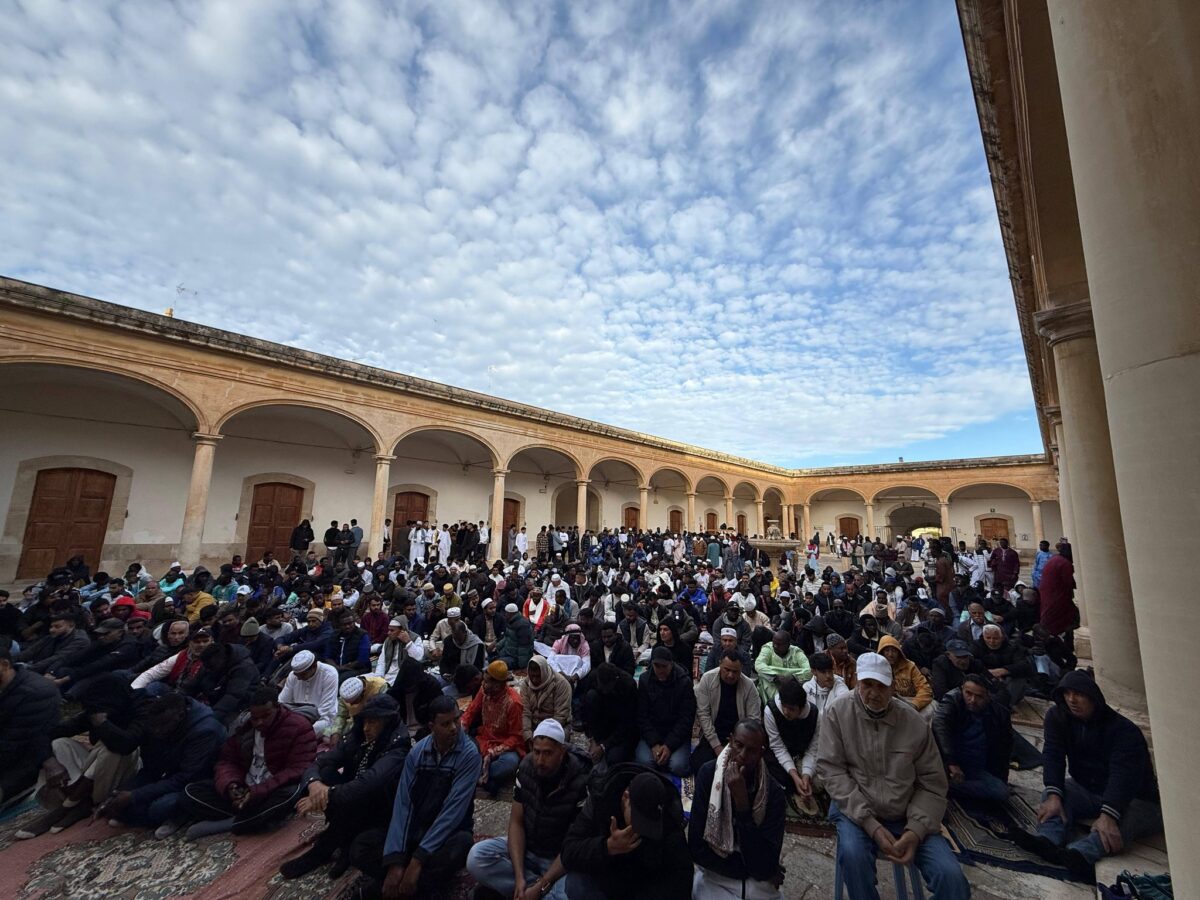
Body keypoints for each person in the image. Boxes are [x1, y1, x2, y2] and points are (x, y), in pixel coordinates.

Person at [817, 652, 970, 900]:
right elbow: (832, 770)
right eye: (867, 685)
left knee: (951, 878)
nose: (874, 693)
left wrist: (915, 831)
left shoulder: (913, 722)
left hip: (907, 812)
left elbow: (932, 784)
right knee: (853, 858)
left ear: (892, 688)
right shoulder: (838, 713)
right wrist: (871, 825)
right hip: (857, 812)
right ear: (857, 681)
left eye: (881, 686)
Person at [1025, 670, 1161, 877]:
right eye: (1067, 693)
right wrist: (1053, 794)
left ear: (1093, 697)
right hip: (1087, 788)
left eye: (1079, 693)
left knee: (1122, 822)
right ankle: (1048, 839)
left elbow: (1123, 776)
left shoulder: (1124, 731)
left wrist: (1109, 814)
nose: (1072, 699)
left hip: (1134, 797)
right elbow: (1053, 753)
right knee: (1055, 796)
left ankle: (1081, 853)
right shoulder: (1058, 717)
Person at [351, 696, 481, 898]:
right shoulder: (418, 753)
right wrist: (396, 860)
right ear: (432, 727)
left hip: (447, 833)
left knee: (462, 845)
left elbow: (452, 812)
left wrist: (417, 859)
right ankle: (415, 886)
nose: (454, 728)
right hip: (417, 828)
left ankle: (392, 888)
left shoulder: (469, 754)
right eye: (446, 724)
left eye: (456, 720)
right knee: (361, 846)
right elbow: (404, 804)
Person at [280, 694, 412, 880]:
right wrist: (315, 785)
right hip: (353, 794)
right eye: (365, 721)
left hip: (380, 806)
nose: (367, 728)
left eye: (373, 722)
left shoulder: (399, 744)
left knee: (352, 795)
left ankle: (328, 846)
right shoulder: (359, 733)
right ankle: (340, 840)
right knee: (325, 774)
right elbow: (319, 762)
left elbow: (369, 784)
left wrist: (328, 793)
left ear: (387, 721)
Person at [466, 718, 591, 900]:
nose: (540, 760)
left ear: (562, 752)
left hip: (558, 859)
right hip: (529, 849)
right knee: (477, 858)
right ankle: (526, 889)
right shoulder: (526, 768)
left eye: (548, 753)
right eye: (537, 752)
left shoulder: (581, 781)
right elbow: (517, 823)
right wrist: (519, 878)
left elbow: (574, 845)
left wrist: (542, 885)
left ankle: (526, 891)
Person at [180, 685, 318, 839]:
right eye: (255, 718)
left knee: (292, 793)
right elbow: (227, 760)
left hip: (271, 791)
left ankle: (234, 823)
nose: (259, 722)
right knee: (190, 792)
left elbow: (297, 769)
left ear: (277, 708)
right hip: (246, 787)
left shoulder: (299, 727)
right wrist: (231, 784)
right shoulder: (245, 727)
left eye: (265, 716)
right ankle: (247, 817)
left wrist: (257, 792)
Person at [94, 692, 226, 837]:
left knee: (158, 808)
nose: (158, 731)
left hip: (199, 781)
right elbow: (152, 769)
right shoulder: (157, 724)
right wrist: (122, 794)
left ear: (180, 716)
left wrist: (135, 796)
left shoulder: (205, 731)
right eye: (155, 727)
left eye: (163, 726)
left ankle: (182, 816)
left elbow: (187, 778)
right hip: (172, 775)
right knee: (119, 797)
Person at [560, 766, 692, 899]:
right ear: (626, 797)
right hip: (606, 879)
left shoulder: (670, 820)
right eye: (638, 819)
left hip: (644, 886)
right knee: (576, 882)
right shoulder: (601, 800)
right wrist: (607, 847)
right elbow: (569, 851)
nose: (641, 829)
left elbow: (681, 881)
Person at [690, 720, 786, 899]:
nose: (742, 755)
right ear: (730, 741)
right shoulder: (708, 775)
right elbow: (697, 849)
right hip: (717, 873)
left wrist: (743, 806)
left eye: (751, 751)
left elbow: (767, 859)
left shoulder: (772, 793)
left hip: (755, 879)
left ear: (761, 753)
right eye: (738, 745)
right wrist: (750, 869)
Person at [932, 675, 1012, 806]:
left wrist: (1001, 779)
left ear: (988, 696)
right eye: (968, 693)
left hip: (975, 767)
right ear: (962, 689)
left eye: (979, 696)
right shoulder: (953, 699)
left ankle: (944, 787)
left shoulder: (999, 712)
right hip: (947, 763)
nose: (972, 700)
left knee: (1001, 792)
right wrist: (952, 763)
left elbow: (1004, 749)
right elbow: (939, 724)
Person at [0, 640, 61, 805]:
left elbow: (13, 746)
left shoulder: (36, 693)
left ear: (4, 664)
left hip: (25, 760)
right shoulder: (7, 684)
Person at [462, 659, 525, 797]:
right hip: (483, 740)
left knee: (510, 763)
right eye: (484, 681)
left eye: (489, 682)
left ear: (500, 684)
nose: (484, 685)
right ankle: (486, 778)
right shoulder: (484, 690)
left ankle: (476, 774)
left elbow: (516, 737)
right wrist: (462, 726)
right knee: (464, 744)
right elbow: (471, 711)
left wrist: (495, 751)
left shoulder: (514, 702)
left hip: (504, 747)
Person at [692, 649, 761, 774]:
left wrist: (738, 748)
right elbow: (703, 714)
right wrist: (717, 747)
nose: (731, 675)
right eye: (727, 670)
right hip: (713, 735)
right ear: (720, 665)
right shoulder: (707, 679)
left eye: (735, 672)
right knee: (701, 767)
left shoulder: (749, 686)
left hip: (740, 740)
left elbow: (754, 720)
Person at [635, 645, 697, 777]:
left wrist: (669, 745)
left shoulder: (684, 682)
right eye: (657, 666)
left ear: (671, 664)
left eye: (664, 666)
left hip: (676, 734)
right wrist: (653, 743)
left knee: (678, 766)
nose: (661, 670)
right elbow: (642, 715)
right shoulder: (645, 680)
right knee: (644, 763)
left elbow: (686, 718)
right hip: (653, 733)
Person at [763, 675, 819, 805]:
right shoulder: (771, 710)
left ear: (802, 707)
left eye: (792, 709)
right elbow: (777, 746)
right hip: (777, 755)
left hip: (801, 754)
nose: (786, 712)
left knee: (819, 781)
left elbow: (813, 749)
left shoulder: (815, 715)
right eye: (784, 707)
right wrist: (794, 776)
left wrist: (806, 775)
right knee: (775, 776)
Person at [580, 662, 640, 766]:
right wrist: (592, 738)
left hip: (620, 728)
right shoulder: (592, 678)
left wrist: (604, 746)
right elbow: (584, 709)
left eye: (607, 688)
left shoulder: (628, 685)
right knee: (591, 696)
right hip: (602, 723)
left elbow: (629, 723)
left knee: (614, 759)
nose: (604, 691)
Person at [278, 650, 339, 734]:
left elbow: (325, 710)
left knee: (307, 730)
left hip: (321, 718)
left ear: (314, 667)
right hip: (295, 716)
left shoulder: (329, 674)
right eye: (297, 675)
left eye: (302, 675)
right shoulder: (293, 675)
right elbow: (282, 702)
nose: (298, 678)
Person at [974, 624, 1033, 708]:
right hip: (986, 681)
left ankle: (1005, 706)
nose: (991, 641)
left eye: (995, 638)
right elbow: (972, 664)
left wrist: (1003, 671)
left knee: (1019, 678)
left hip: (1007, 684)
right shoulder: (976, 646)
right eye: (988, 638)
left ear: (1002, 637)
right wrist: (989, 674)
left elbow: (1025, 666)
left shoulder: (1013, 648)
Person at [877, 635, 934, 717]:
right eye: (887, 651)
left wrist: (915, 705)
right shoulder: (876, 668)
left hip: (910, 702)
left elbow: (925, 689)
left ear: (899, 653)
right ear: (881, 653)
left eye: (894, 651)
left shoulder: (910, 667)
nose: (890, 654)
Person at [521, 654, 572, 743]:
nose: (535, 680)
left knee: (554, 747)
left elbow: (561, 716)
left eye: (538, 676)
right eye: (532, 676)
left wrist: (543, 735)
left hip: (557, 726)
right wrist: (528, 736)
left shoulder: (561, 684)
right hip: (534, 725)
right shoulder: (526, 684)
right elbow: (525, 712)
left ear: (544, 672)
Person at [753, 629, 811, 706]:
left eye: (779, 644)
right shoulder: (768, 648)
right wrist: (776, 677)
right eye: (774, 643)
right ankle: (775, 706)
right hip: (773, 682)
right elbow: (758, 665)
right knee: (765, 678)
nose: (775, 646)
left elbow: (810, 670)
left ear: (788, 644)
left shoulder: (796, 652)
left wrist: (792, 677)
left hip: (793, 684)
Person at [494, 602, 534, 670]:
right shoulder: (510, 621)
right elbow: (507, 637)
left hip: (516, 657)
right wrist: (497, 647)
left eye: (506, 613)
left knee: (497, 665)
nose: (504, 614)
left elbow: (524, 648)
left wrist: (522, 666)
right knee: (492, 657)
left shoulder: (523, 626)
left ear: (511, 613)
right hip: (509, 650)